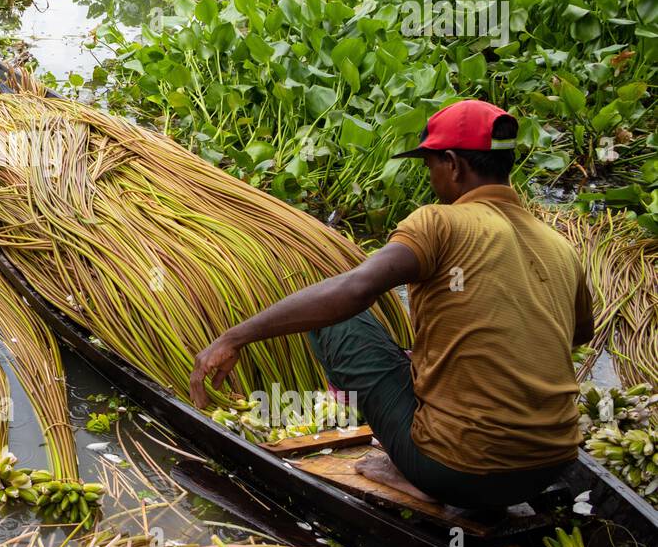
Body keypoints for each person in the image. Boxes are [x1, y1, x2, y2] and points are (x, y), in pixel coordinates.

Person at [189, 100, 592, 509]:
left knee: (335, 321)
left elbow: (353, 290)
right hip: (553, 463)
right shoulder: (559, 246)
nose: (432, 178)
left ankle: (414, 474)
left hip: (458, 471)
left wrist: (235, 336)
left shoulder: (440, 222)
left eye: (430, 166)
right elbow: (577, 335)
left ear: (452, 164)